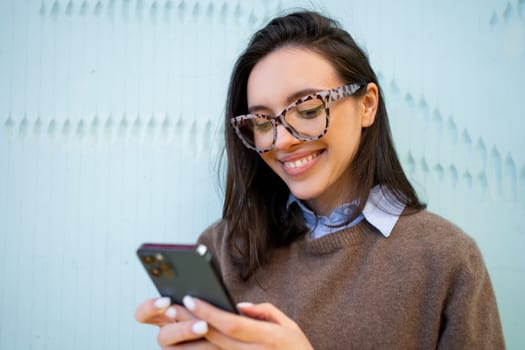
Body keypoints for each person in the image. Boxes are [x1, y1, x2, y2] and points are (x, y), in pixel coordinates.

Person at [135, 10, 504, 349]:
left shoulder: (446, 258)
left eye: (309, 110)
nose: (282, 141)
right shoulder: (224, 247)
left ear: (367, 105)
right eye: (263, 122)